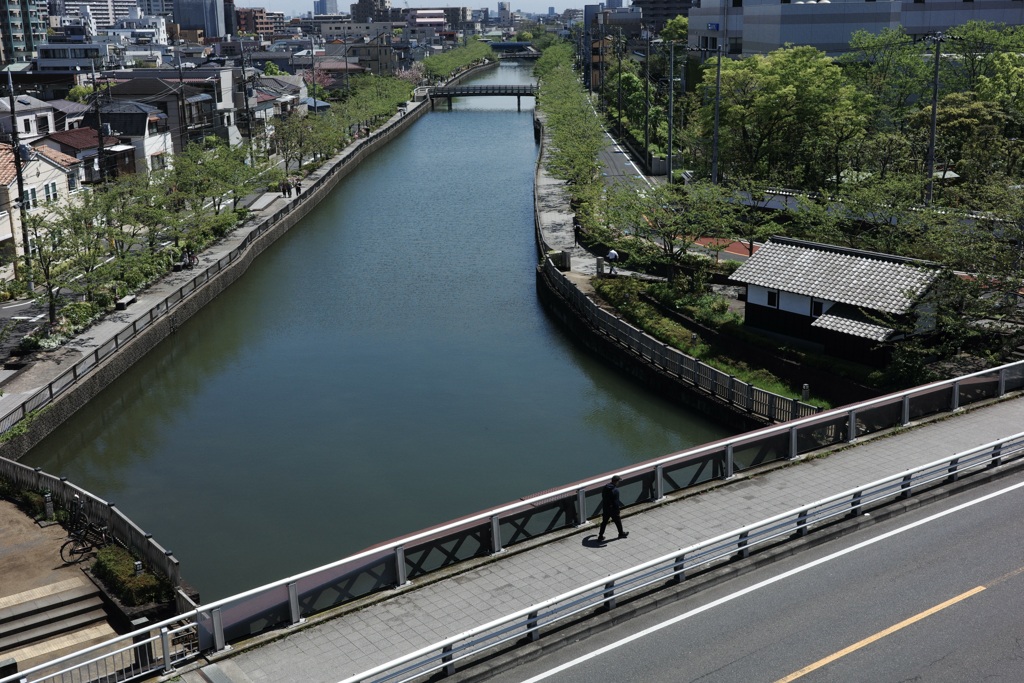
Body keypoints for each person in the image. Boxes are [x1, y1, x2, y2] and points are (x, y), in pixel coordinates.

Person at [597, 475, 628, 542]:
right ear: (616, 482)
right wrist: (617, 510)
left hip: (606, 508)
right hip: (613, 509)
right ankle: (621, 533)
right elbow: (616, 502)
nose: (619, 483)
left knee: (604, 522)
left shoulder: (605, 487)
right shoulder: (615, 490)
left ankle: (600, 536)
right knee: (618, 521)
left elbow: (603, 496)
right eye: (618, 481)